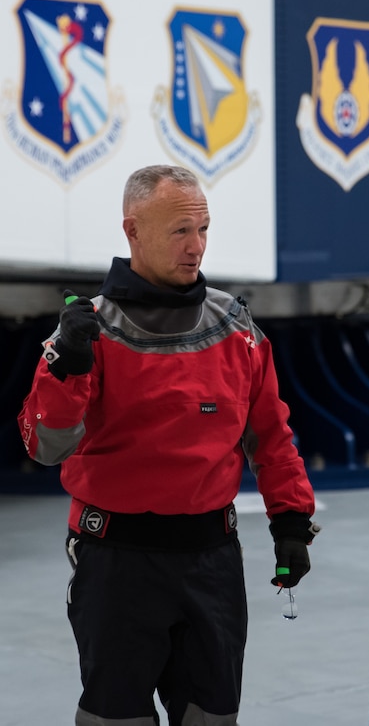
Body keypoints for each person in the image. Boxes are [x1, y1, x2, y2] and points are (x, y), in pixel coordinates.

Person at [18, 165, 319, 726]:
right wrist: (67, 369)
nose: (196, 247)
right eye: (181, 231)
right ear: (132, 231)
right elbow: (46, 447)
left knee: (211, 719)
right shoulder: (87, 332)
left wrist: (292, 521)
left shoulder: (236, 327)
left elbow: (271, 435)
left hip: (212, 562)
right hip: (115, 564)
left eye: (204, 229)